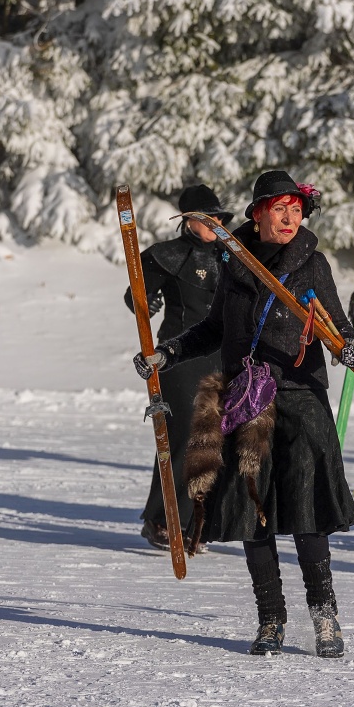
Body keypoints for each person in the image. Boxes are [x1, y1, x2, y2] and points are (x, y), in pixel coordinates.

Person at [133, 170, 354, 657]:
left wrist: (351, 346)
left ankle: (325, 616)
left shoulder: (312, 263)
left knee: (306, 512)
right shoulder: (235, 264)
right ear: (257, 214)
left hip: (301, 400)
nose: (289, 218)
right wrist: (168, 353)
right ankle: (271, 618)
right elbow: (213, 329)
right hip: (246, 400)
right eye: (279, 209)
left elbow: (339, 326)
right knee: (252, 515)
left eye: (296, 209)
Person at [124, 184, 233, 550]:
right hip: (177, 356)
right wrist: (144, 303)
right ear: (188, 220)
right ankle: (161, 519)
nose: (216, 224)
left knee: (212, 441)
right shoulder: (165, 255)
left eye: (219, 218)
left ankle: (195, 523)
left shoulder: (231, 255)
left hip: (221, 357)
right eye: (208, 218)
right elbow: (134, 295)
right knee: (184, 436)